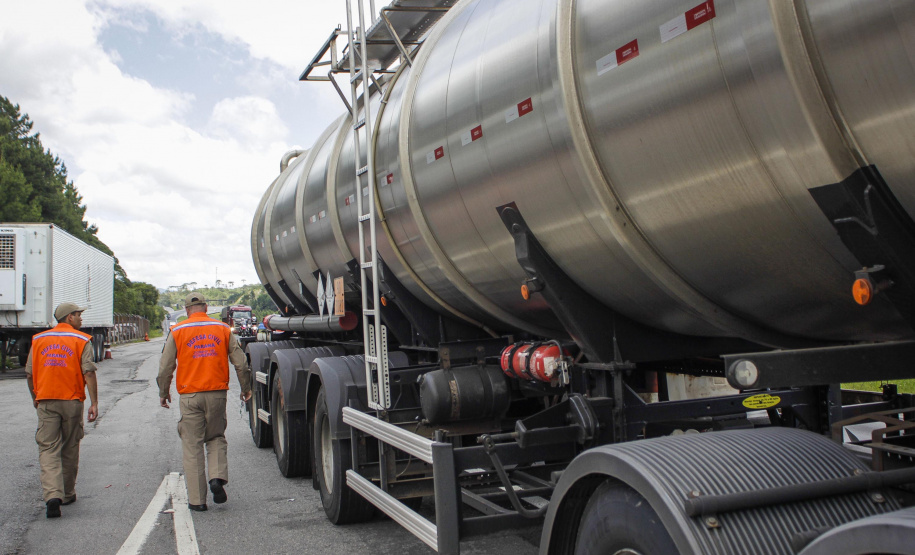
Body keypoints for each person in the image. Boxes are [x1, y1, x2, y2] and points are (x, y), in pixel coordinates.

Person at [158, 293, 252, 511]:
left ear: (186, 309)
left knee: (192, 445)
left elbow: (165, 367)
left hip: (189, 395)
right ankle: (217, 478)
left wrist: (163, 392)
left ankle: (197, 501)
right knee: (216, 436)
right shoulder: (221, 329)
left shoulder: (178, 331)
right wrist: (246, 388)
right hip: (217, 393)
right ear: (206, 307)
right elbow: (241, 363)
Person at [25, 302, 100, 519]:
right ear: (69, 317)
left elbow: (29, 374)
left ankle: (52, 496)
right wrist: (94, 402)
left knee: (48, 449)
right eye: (78, 315)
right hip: (72, 401)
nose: (81, 319)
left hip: (46, 400)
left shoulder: (38, 340)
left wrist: (35, 398)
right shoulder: (81, 340)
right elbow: (88, 372)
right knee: (69, 446)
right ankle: (67, 494)